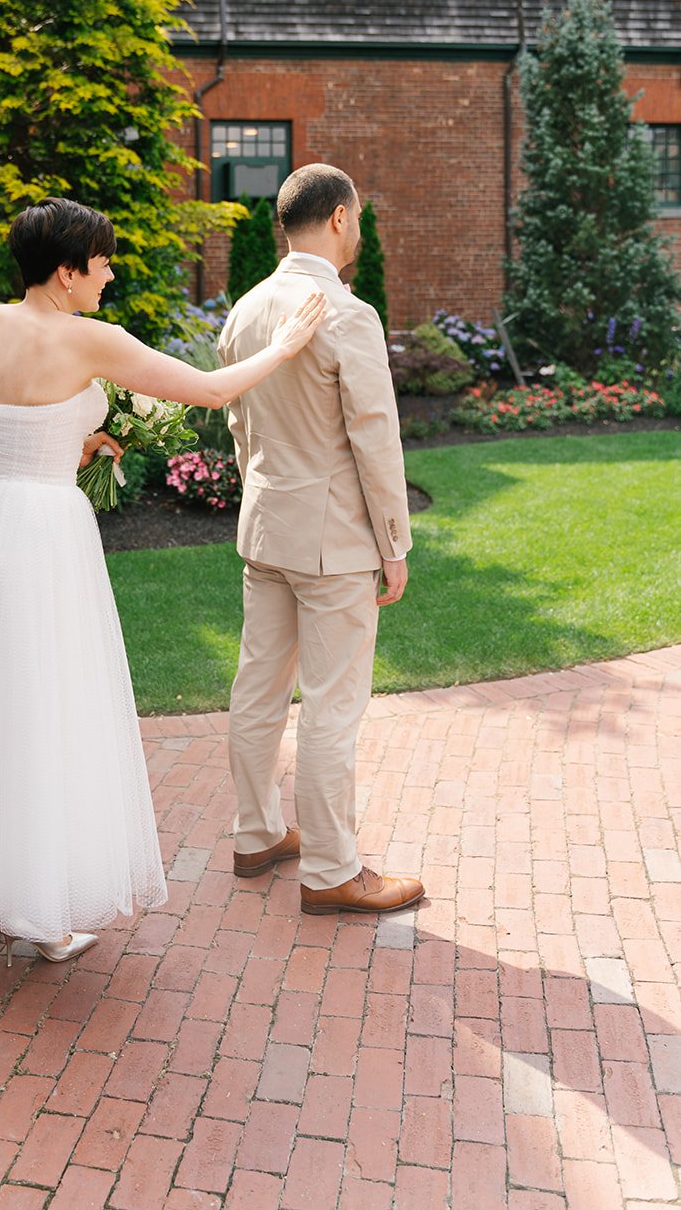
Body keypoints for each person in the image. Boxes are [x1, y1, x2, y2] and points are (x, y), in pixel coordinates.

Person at [0, 196, 327, 967]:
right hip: (41, 535)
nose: (110, 273)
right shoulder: (91, 340)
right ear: (65, 271)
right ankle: (44, 917)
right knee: (42, 706)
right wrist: (283, 345)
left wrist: (69, 445)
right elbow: (214, 391)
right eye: (103, 261)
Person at [217, 164, 424, 916]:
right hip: (333, 540)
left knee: (258, 687)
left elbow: (238, 422)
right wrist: (392, 543)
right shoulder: (345, 313)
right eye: (358, 215)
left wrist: (259, 496)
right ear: (338, 218)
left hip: (266, 527)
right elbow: (374, 437)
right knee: (333, 705)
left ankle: (254, 834)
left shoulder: (244, 308)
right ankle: (333, 870)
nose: (359, 228)